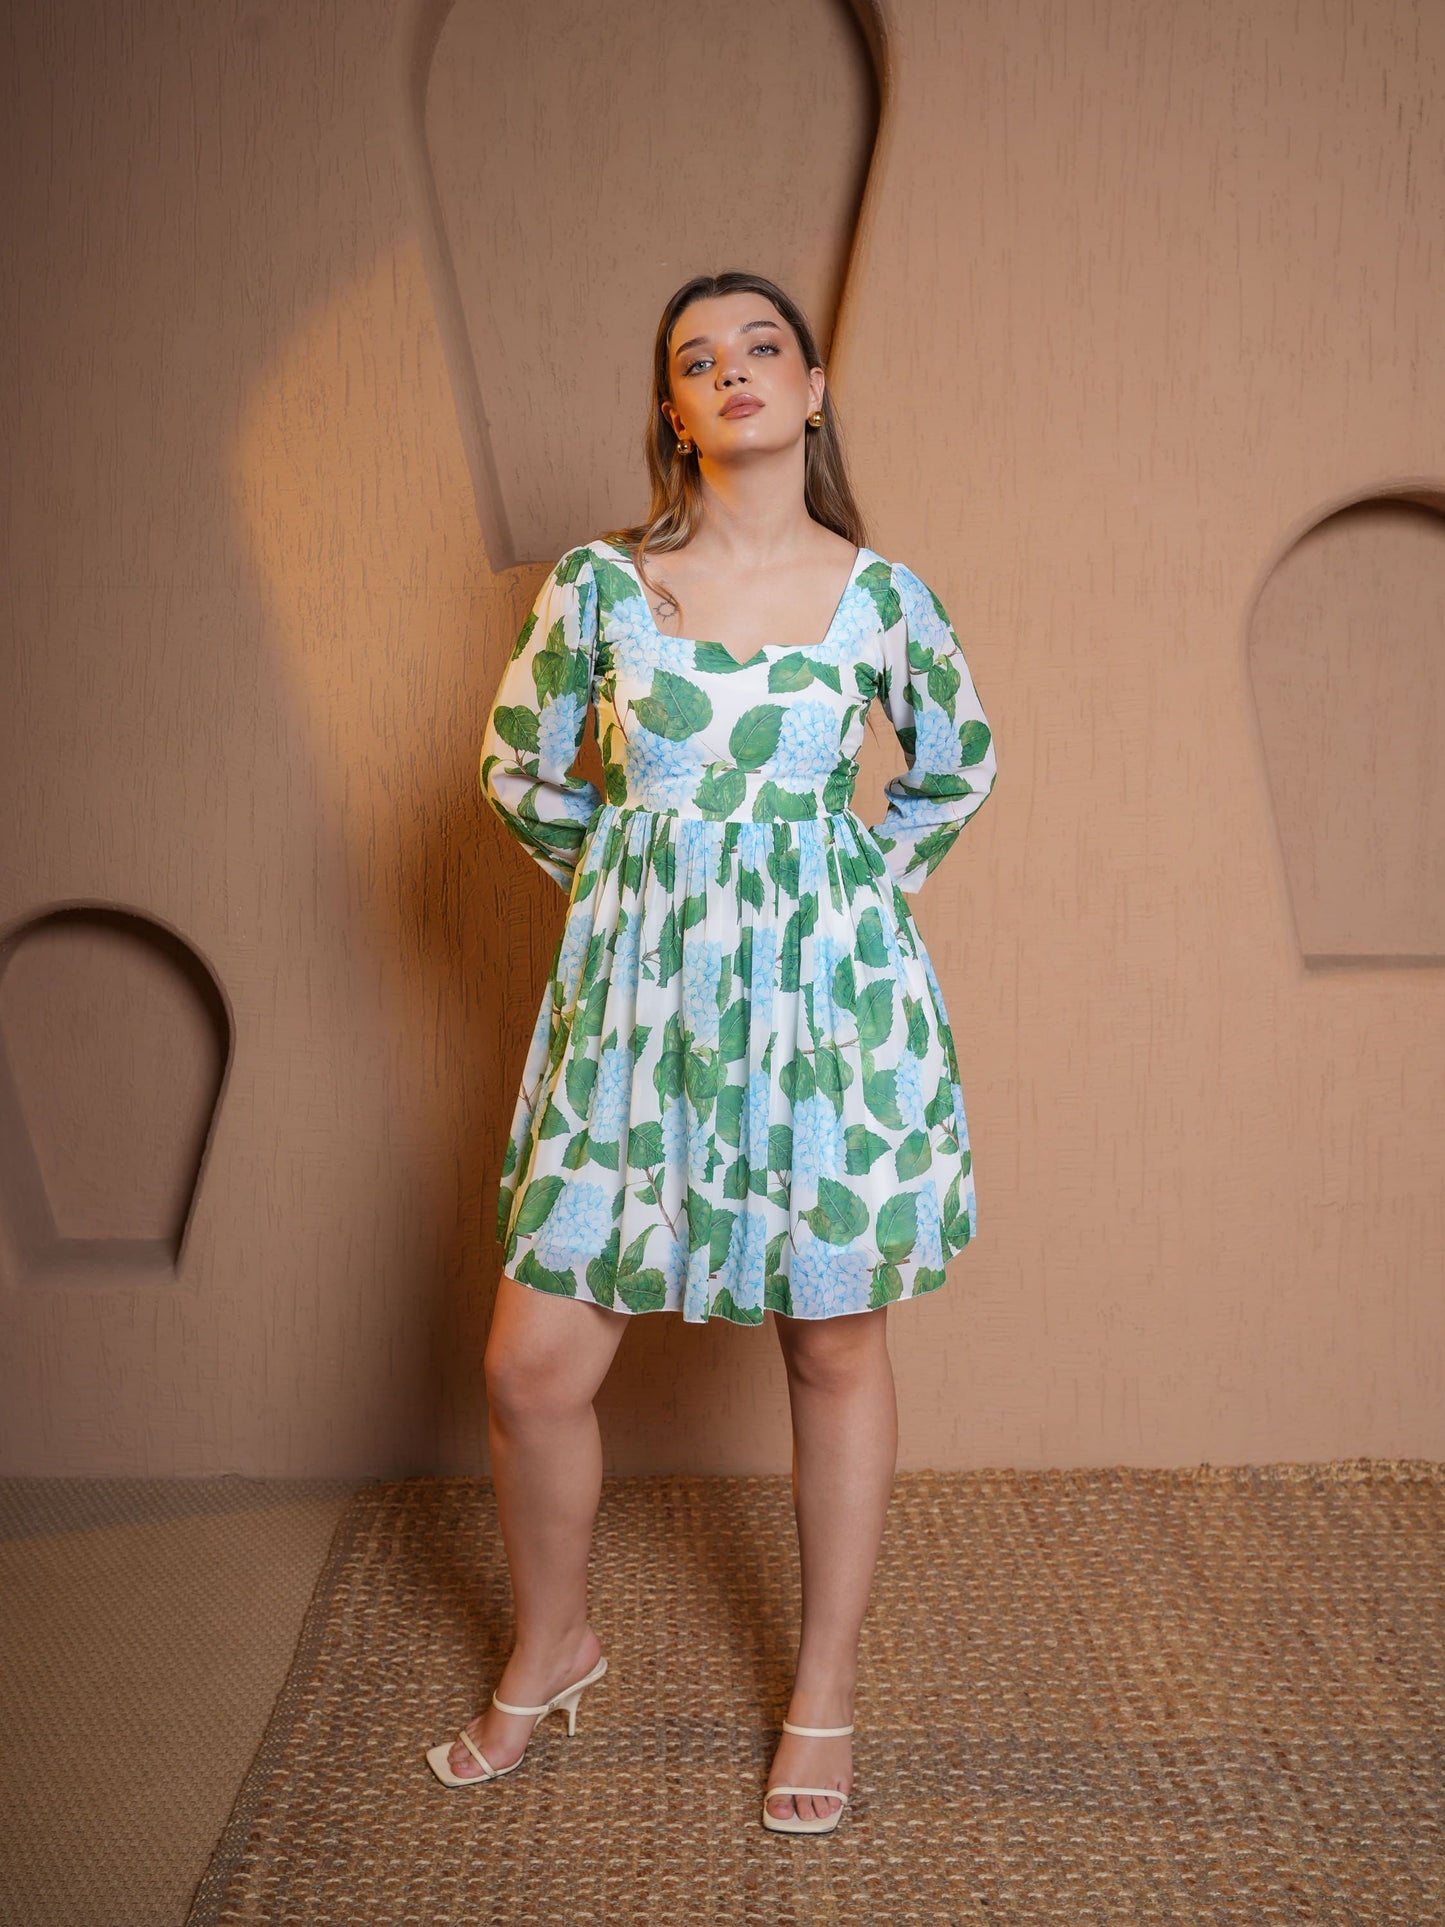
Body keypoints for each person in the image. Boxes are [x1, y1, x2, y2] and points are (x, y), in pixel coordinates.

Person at [426, 270, 998, 1835]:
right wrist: (641, 898)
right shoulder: (599, 588)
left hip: (825, 1021)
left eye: (761, 347)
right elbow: (517, 768)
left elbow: (953, 767)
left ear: (811, 392)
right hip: (634, 1017)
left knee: (832, 1347)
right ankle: (554, 1641)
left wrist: (840, 907)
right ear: (672, 413)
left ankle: (823, 1684)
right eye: (697, 358)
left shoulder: (883, 598)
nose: (732, 370)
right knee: (530, 1365)